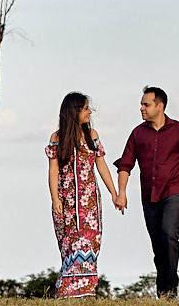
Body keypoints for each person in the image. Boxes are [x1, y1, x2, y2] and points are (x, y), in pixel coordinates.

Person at [114, 86, 179, 299]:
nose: (141, 108)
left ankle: (169, 291)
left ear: (159, 106)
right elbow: (125, 165)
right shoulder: (137, 133)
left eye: (146, 104)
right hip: (149, 196)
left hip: (175, 191)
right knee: (158, 244)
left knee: (169, 234)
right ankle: (163, 292)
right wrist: (121, 192)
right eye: (142, 104)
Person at [46, 92, 123, 299]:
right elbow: (53, 171)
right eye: (86, 108)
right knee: (69, 246)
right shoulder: (57, 138)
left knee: (89, 243)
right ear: (74, 111)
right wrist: (55, 199)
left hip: (90, 204)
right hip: (65, 203)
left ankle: (85, 291)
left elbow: (101, 165)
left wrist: (114, 193)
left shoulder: (92, 136)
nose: (90, 112)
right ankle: (66, 292)